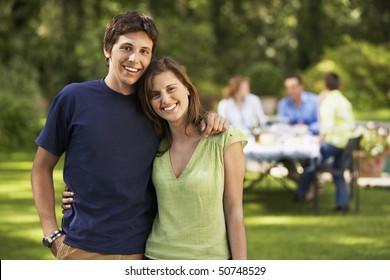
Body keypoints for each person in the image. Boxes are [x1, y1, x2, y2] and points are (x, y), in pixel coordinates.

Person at [31, 11, 227, 260]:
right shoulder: (73, 98)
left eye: (145, 51)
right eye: (127, 48)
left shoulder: (155, 106)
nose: (135, 59)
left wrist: (209, 116)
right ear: (107, 49)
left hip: (143, 251)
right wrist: (52, 235)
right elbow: (40, 168)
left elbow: (187, 123)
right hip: (81, 248)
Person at [63, 57, 248, 259]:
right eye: (155, 95)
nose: (165, 100)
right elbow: (119, 177)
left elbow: (234, 212)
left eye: (171, 89)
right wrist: (78, 195)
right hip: (156, 258)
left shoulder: (225, 140)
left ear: (187, 88)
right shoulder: (154, 144)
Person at [295, 72, 355, 212]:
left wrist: (318, 143)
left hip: (334, 143)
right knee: (338, 171)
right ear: (339, 85)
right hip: (347, 144)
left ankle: (300, 193)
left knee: (312, 164)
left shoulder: (328, 101)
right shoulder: (344, 100)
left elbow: (326, 126)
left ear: (324, 85)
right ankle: (343, 203)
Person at [218, 75, 268, 141]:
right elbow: (223, 126)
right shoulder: (224, 104)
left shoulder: (254, 100)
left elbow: (262, 119)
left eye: (248, 87)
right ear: (236, 89)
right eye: (245, 88)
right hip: (233, 140)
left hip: (254, 138)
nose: (248, 90)